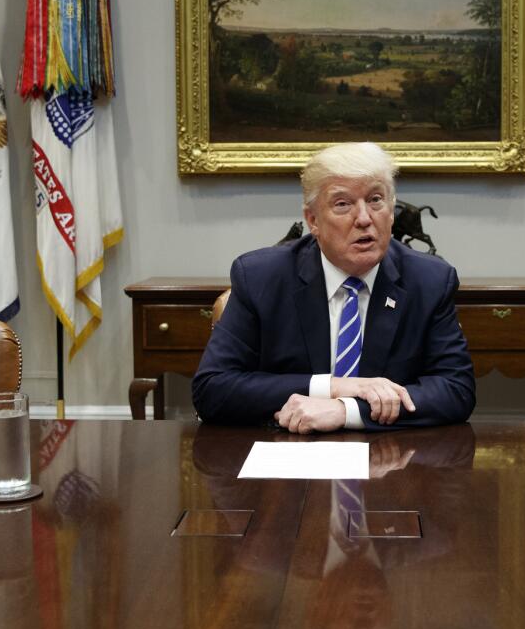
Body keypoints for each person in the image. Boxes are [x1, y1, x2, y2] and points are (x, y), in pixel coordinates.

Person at [192, 142, 475, 432]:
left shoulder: (429, 280)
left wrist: (346, 409)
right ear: (312, 220)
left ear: (391, 211)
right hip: (286, 457)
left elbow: (456, 389)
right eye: (343, 204)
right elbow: (213, 389)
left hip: (390, 459)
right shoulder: (261, 277)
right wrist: (333, 387)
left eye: (376, 199)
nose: (364, 219)